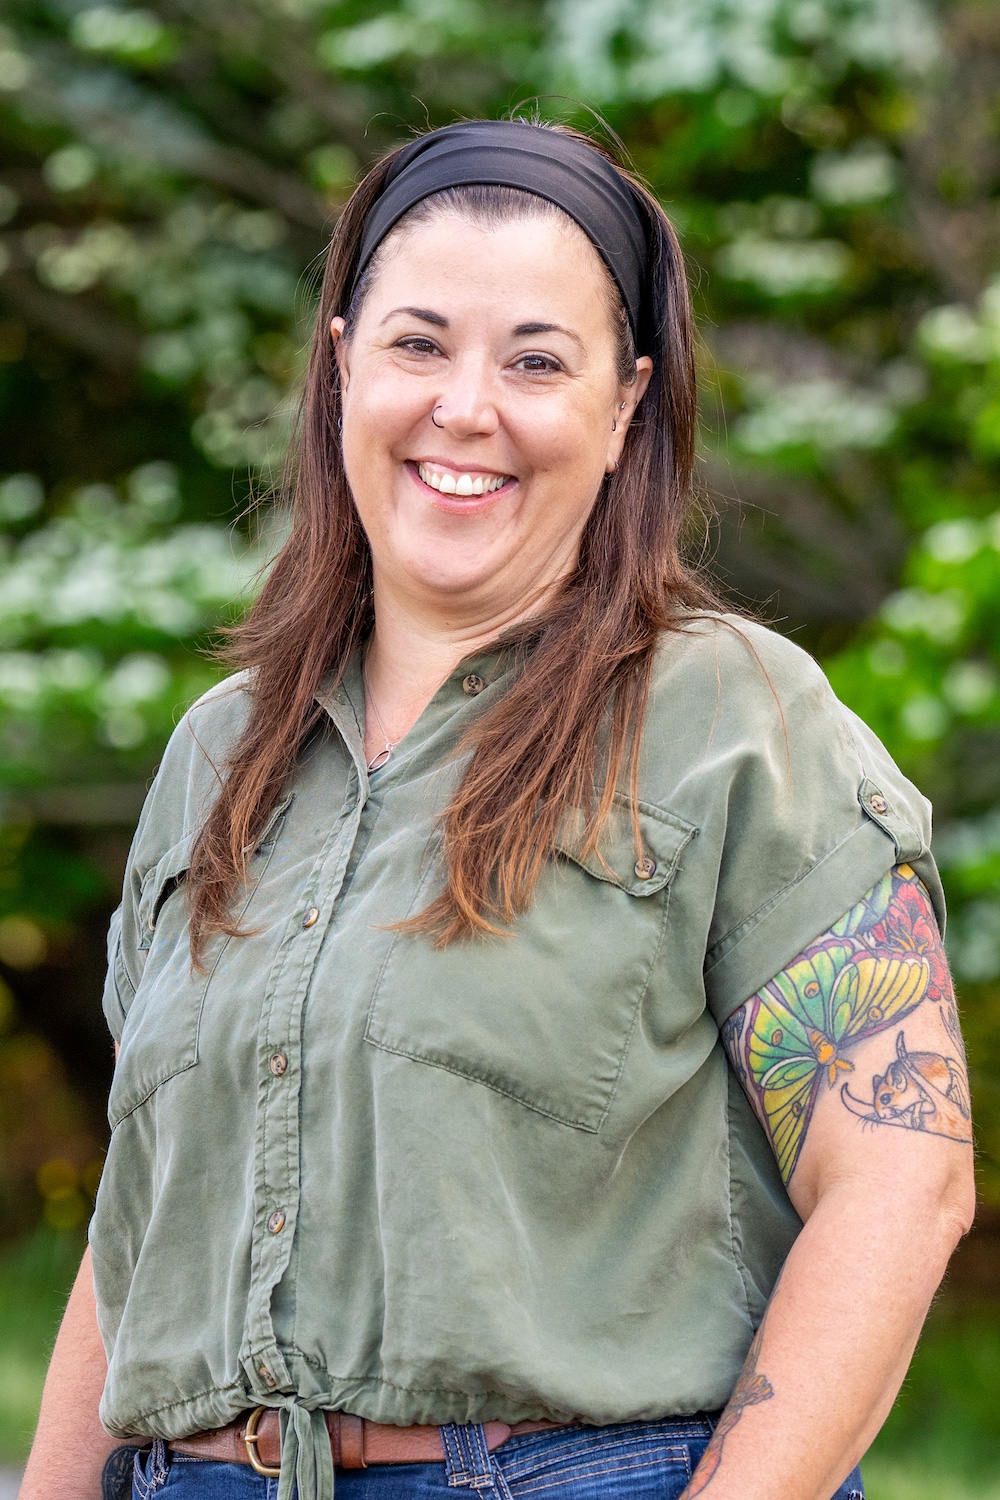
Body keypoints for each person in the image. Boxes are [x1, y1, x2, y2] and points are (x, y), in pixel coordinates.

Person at [21, 118, 974, 1500]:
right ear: (346, 363)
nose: (468, 406)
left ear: (625, 405)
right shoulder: (219, 754)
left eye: (537, 360)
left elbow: (900, 1184)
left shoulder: (736, 721)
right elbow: (144, 1231)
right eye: (418, 344)